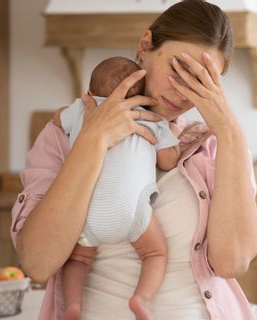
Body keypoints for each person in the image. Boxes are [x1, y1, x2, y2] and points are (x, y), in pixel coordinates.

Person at [10, 0, 257, 319]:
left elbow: (232, 262)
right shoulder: (66, 134)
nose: (184, 92)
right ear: (145, 45)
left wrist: (230, 131)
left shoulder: (212, 146)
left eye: (201, 81)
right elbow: (37, 263)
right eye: (178, 69)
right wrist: (94, 139)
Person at [53, 56, 182, 320]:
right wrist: (171, 134)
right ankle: (142, 299)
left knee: (77, 260)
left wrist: (77, 109)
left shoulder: (82, 109)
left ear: (90, 93)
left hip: (86, 212)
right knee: (155, 254)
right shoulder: (151, 118)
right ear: (142, 95)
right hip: (131, 212)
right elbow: (169, 162)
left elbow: (56, 119)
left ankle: (72, 305)